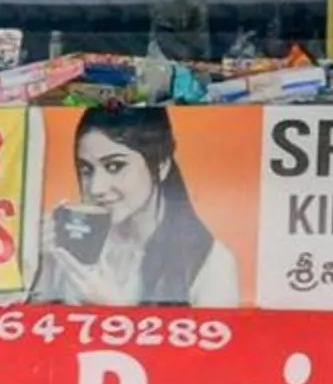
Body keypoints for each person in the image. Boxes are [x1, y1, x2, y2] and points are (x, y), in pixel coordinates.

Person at [36, 108, 240, 308]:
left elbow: (219, 340)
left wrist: (114, 311)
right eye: (86, 169)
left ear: (161, 165)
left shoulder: (209, 263)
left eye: (114, 166)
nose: (97, 188)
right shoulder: (75, 241)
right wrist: (43, 266)